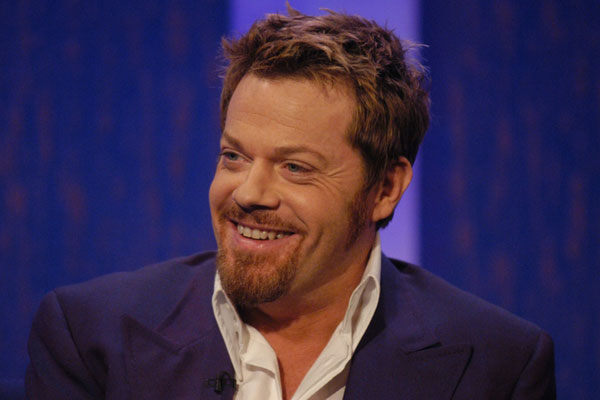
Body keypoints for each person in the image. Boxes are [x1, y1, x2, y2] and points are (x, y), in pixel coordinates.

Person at [26, 7, 555, 400]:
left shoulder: (498, 365)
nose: (248, 193)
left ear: (385, 189)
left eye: (295, 167)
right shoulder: (91, 337)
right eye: (234, 156)